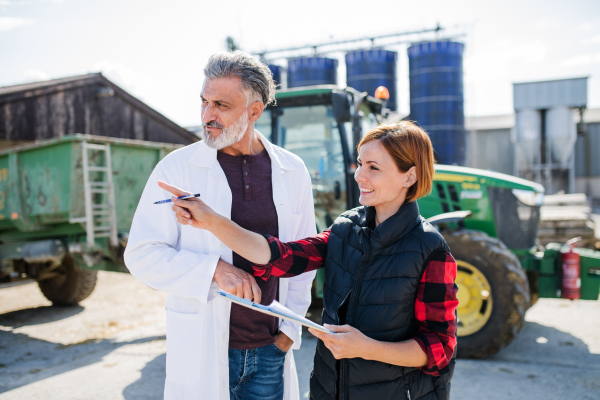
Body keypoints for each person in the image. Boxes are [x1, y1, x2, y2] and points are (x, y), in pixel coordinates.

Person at [165, 121, 459, 400]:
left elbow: (439, 348)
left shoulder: (430, 249)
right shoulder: (345, 229)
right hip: (328, 389)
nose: (359, 176)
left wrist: (367, 348)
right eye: (359, 163)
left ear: (410, 176)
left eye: (373, 168)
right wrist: (212, 221)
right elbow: (281, 257)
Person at [124, 51, 316, 400]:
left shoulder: (292, 170)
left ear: (254, 110)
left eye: (221, 105)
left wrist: (290, 332)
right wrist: (214, 270)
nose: (207, 115)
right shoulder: (177, 168)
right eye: (204, 102)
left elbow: (304, 259)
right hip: (203, 347)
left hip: (269, 352)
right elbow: (141, 255)